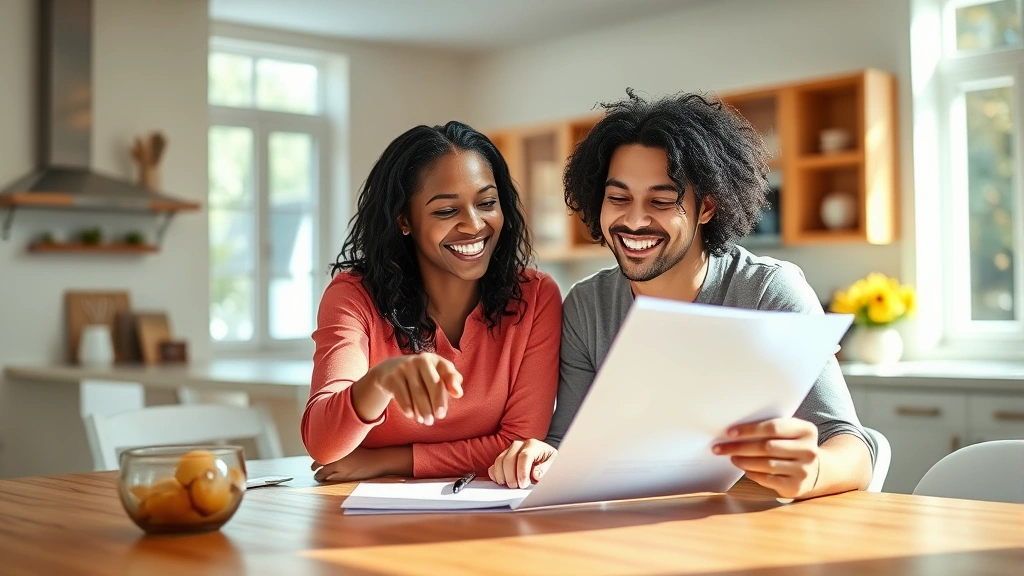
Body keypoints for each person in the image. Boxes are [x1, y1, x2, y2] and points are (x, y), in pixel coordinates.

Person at [488, 91, 874, 500]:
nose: (634, 220)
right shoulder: (588, 306)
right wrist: (543, 458)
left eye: (661, 201)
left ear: (706, 206)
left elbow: (852, 447)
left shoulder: (767, 292)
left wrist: (811, 471)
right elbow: (566, 445)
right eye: (618, 198)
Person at [304, 121, 561, 483]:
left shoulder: (535, 296)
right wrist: (380, 381)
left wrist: (391, 461)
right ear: (404, 220)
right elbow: (323, 444)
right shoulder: (353, 296)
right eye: (445, 211)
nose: (474, 225)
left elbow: (520, 444)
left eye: (487, 203)